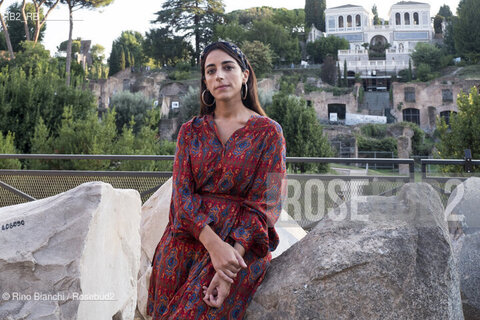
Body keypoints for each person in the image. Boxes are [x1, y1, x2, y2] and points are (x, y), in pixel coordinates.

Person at [147, 41, 286, 319]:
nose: (219, 76)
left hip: (240, 246)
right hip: (184, 243)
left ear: (245, 74)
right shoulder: (190, 132)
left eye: (227, 67)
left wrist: (227, 264)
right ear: (205, 83)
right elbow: (182, 197)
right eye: (210, 71)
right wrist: (213, 246)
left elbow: (266, 204)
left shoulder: (269, 133)